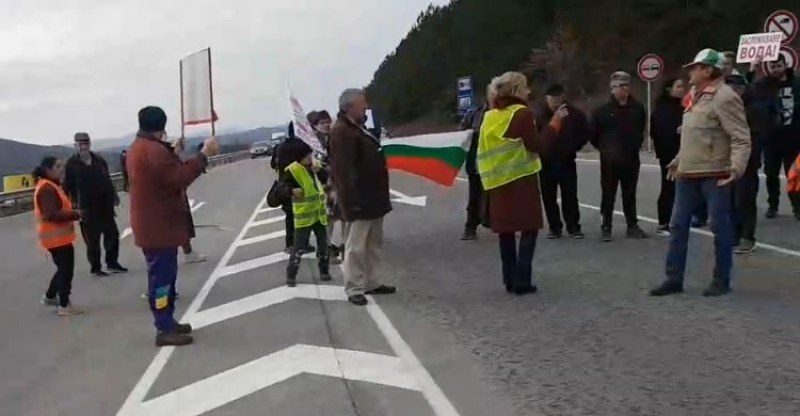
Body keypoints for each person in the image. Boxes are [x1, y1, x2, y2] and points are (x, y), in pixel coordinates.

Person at [650, 49, 751, 298]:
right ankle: (673, 278)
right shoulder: (694, 95)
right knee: (677, 226)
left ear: (708, 70)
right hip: (688, 173)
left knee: (719, 226)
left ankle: (722, 278)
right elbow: (694, 133)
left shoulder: (725, 97)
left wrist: (736, 168)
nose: (690, 71)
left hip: (714, 173)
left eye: (695, 67)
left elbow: (741, 138)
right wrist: (678, 159)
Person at [127, 106, 219, 347]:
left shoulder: (140, 147)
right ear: (162, 127)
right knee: (161, 281)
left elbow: (164, 172)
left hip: (152, 225)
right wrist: (203, 155)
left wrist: (173, 152)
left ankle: (167, 320)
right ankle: (163, 326)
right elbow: (178, 178)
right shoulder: (154, 151)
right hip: (159, 226)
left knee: (163, 278)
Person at [478, 72, 561, 295]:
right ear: (516, 90)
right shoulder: (522, 114)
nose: (529, 92)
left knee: (506, 232)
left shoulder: (490, 116)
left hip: (497, 181)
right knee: (529, 229)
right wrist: (554, 125)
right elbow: (538, 146)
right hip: (521, 181)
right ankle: (522, 280)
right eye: (525, 87)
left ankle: (509, 278)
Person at [329, 88, 395, 306]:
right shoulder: (342, 132)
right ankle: (354, 287)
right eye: (362, 103)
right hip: (360, 200)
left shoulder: (358, 128)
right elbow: (343, 171)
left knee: (374, 244)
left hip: (374, 197)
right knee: (356, 246)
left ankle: (372, 281)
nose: (365, 106)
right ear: (349, 106)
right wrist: (350, 202)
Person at [590, 71, 649, 241]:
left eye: (626, 85)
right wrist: (605, 149)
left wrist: (635, 145)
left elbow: (641, 129)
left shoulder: (637, 108)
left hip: (631, 158)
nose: (624, 89)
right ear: (612, 88)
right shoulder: (602, 111)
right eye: (620, 86)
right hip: (610, 160)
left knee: (629, 193)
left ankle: (632, 225)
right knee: (608, 193)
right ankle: (606, 226)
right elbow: (593, 134)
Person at [63, 132, 127, 276]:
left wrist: (114, 196)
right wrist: (70, 206)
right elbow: (67, 186)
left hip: (105, 205)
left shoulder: (99, 160)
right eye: (80, 144)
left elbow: (107, 179)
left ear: (90, 144)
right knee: (92, 241)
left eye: (86, 143)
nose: (83, 146)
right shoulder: (71, 164)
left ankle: (112, 263)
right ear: (75, 146)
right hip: (85, 207)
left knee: (112, 235)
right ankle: (96, 268)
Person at [748, 54, 800, 219]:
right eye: (772, 66)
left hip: (793, 138)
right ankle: (773, 205)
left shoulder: (796, 84)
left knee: (794, 175)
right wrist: (752, 71)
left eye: (778, 65)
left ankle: (797, 207)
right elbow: (748, 92)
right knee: (771, 174)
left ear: (785, 65)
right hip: (771, 138)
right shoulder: (765, 85)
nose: (776, 69)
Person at [534, 83, 589, 239]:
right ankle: (555, 226)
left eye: (557, 97)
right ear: (546, 98)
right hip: (546, 162)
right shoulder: (540, 116)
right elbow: (536, 137)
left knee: (570, 195)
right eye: (552, 97)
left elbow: (584, 133)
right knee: (548, 196)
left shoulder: (574, 115)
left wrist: (573, 147)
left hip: (567, 161)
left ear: (562, 97)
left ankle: (573, 227)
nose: (555, 100)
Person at [33, 156, 84, 316]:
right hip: (56, 239)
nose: (61, 169)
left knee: (62, 269)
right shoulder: (47, 188)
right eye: (58, 166)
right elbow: (51, 214)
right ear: (48, 170)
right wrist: (75, 214)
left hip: (57, 238)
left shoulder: (51, 185)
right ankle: (64, 304)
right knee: (66, 271)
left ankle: (50, 296)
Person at [281, 139, 331, 287]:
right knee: (298, 248)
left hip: (319, 214)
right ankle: (291, 274)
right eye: (307, 157)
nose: (310, 159)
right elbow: (281, 189)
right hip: (303, 216)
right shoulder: (291, 170)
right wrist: (291, 191)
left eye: (310, 155)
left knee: (323, 245)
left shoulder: (315, 166)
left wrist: (320, 171)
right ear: (299, 158)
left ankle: (324, 271)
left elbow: (327, 178)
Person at [650, 77, 687, 235]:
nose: (682, 89)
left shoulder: (683, 107)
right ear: (669, 89)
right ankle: (663, 222)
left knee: (684, 188)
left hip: (685, 152)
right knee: (668, 188)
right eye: (678, 86)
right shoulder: (661, 109)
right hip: (668, 153)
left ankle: (679, 219)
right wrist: (676, 131)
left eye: (682, 86)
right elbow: (657, 132)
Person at [308, 110, 346, 263]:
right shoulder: (312, 142)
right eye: (322, 123)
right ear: (315, 126)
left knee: (343, 215)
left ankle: (342, 244)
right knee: (328, 218)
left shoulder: (335, 137)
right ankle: (326, 249)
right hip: (324, 185)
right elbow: (315, 164)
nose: (326, 125)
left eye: (327, 121)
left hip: (339, 182)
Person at [272, 122, 315, 255]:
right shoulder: (304, 146)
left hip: (285, 185)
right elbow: (311, 163)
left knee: (290, 216)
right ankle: (303, 243)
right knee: (305, 216)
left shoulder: (280, 147)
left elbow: (273, 164)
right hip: (301, 184)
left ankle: (290, 245)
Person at [458, 85, 495, 241]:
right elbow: (461, 133)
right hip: (477, 163)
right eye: (492, 94)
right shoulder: (474, 114)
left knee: (500, 196)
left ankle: (502, 223)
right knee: (475, 196)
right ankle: (470, 227)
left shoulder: (506, 114)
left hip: (498, 164)